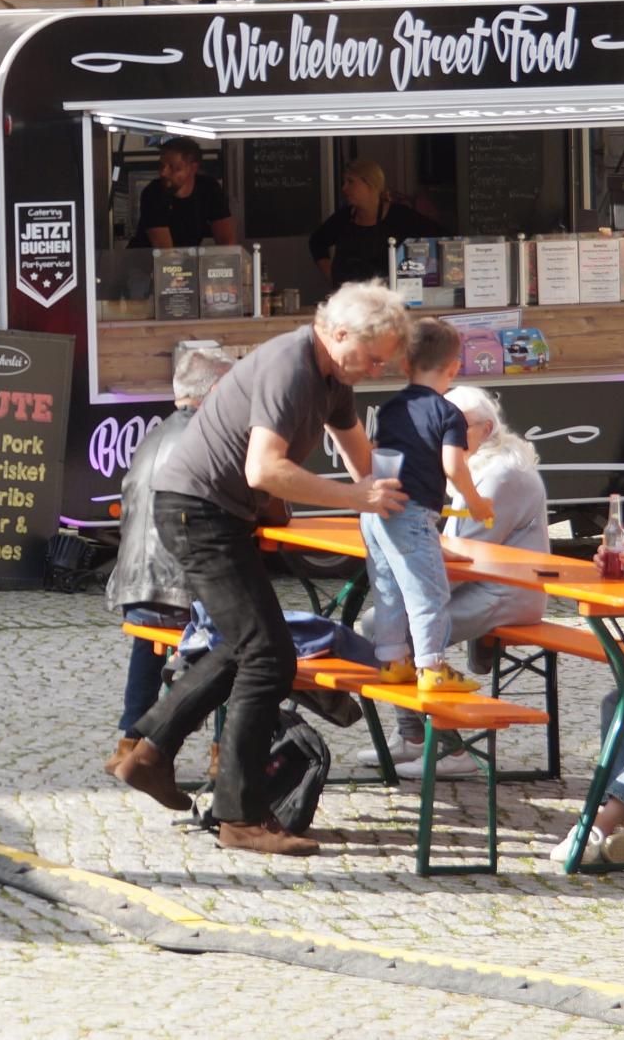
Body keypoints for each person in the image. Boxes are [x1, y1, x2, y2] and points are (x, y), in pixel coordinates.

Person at [109, 279, 408, 857]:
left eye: (384, 362)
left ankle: (148, 753)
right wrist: (356, 499)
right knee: (269, 657)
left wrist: (399, 506)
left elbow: (363, 463)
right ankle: (238, 816)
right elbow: (264, 471)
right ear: (338, 333)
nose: (376, 370)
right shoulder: (291, 367)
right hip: (198, 512)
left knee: (251, 646)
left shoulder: (333, 377)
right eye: (372, 358)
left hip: (216, 514)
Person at [403, 385, 548, 779]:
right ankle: (413, 737)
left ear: (485, 428)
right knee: (387, 625)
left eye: (456, 426)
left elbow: (466, 558)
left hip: (508, 592)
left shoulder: (500, 474)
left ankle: (451, 750)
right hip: (485, 583)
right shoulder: (479, 465)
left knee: (400, 631)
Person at [104, 344, 229, 762]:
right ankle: (226, 752)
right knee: (249, 639)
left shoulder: (153, 436)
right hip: (182, 596)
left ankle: (129, 742)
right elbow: (259, 507)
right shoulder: (213, 438)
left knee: (149, 640)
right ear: (216, 391)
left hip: (136, 590)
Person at [360, 316, 490, 696]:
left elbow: (376, 454)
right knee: (429, 592)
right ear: (454, 367)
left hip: (376, 511)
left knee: (387, 589)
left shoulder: (389, 409)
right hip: (413, 513)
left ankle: (392, 661)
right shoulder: (448, 413)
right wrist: (477, 503)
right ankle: (432, 666)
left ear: (405, 364)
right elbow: (453, 466)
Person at [309, 158, 429, 290]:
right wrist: (333, 278)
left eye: (350, 182)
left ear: (370, 183)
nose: (344, 188)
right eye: (344, 182)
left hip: (386, 298)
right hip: (348, 298)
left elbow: (437, 238)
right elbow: (316, 242)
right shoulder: (344, 217)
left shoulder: (400, 216)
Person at [131, 135, 238, 250]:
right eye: (161, 165)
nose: (163, 173)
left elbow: (227, 242)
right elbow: (164, 251)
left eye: (172, 167)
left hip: (185, 258)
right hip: (144, 260)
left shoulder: (209, 188)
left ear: (192, 168)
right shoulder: (153, 193)